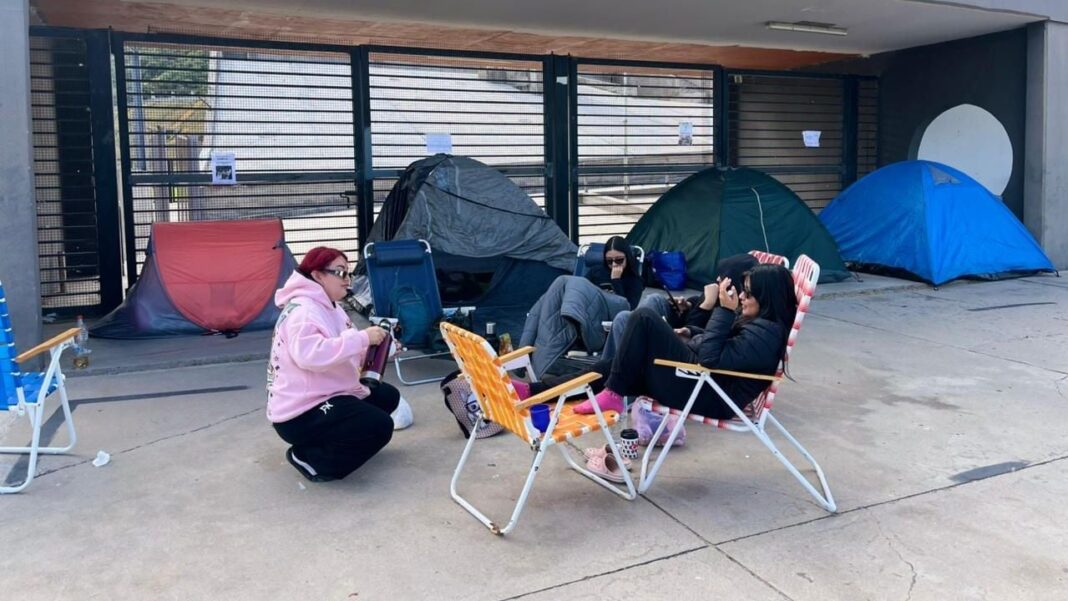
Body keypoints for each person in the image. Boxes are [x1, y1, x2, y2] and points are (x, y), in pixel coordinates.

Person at [531, 263, 798, 420]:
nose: (741, 297)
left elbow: (711, 359)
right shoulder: (759, 324)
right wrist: (691, 333)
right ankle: (537, 391)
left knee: (644, 318)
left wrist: (724, 311)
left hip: (709, 394)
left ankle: (613, 394)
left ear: (768, 297)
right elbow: (723, 347)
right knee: (614, 365)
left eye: (748, 293)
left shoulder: (766, 334)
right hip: (702, 383)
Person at [267, 246, 403, 482]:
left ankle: (345, 444)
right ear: (318, 275)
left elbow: (344, 350)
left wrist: (384, 349)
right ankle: (310, 459)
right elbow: (310, 356)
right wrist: (362, 338)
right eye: (340, 272)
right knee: (380, 426)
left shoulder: (331, 307)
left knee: (386, 396)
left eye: (348, 273)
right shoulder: (304, 312)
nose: (347, 279)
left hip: (327, 393)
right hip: (301, 412)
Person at [600, 253, 759, 361]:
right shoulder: (726, 298)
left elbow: (707, 344)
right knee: (649, 303)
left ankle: (615, 372)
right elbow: (701, 330)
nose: (718, 278)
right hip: (684, 334)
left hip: (682, 352)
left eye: (724, 276)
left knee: (625, 320)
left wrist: (705, 306)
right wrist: (690, 304)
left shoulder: (738, 312)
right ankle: (611, 369)